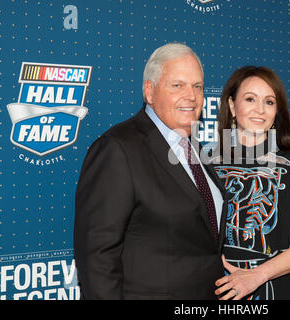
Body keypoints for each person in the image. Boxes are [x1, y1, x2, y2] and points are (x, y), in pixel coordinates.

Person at [74, 43, 228, 299]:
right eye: (177, 85)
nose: (191, 96)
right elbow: (97, 258)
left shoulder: (195, 147)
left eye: (197, 86)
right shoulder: (118, 149)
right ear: (150, 91)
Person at [210, 66, 290, 300]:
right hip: (220, 289)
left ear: (278, 111)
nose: (260, 110)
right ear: (232, 106)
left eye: (269, 102)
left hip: (279, 290)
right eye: (250, 99)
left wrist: (257, 275)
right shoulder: (209, 164)